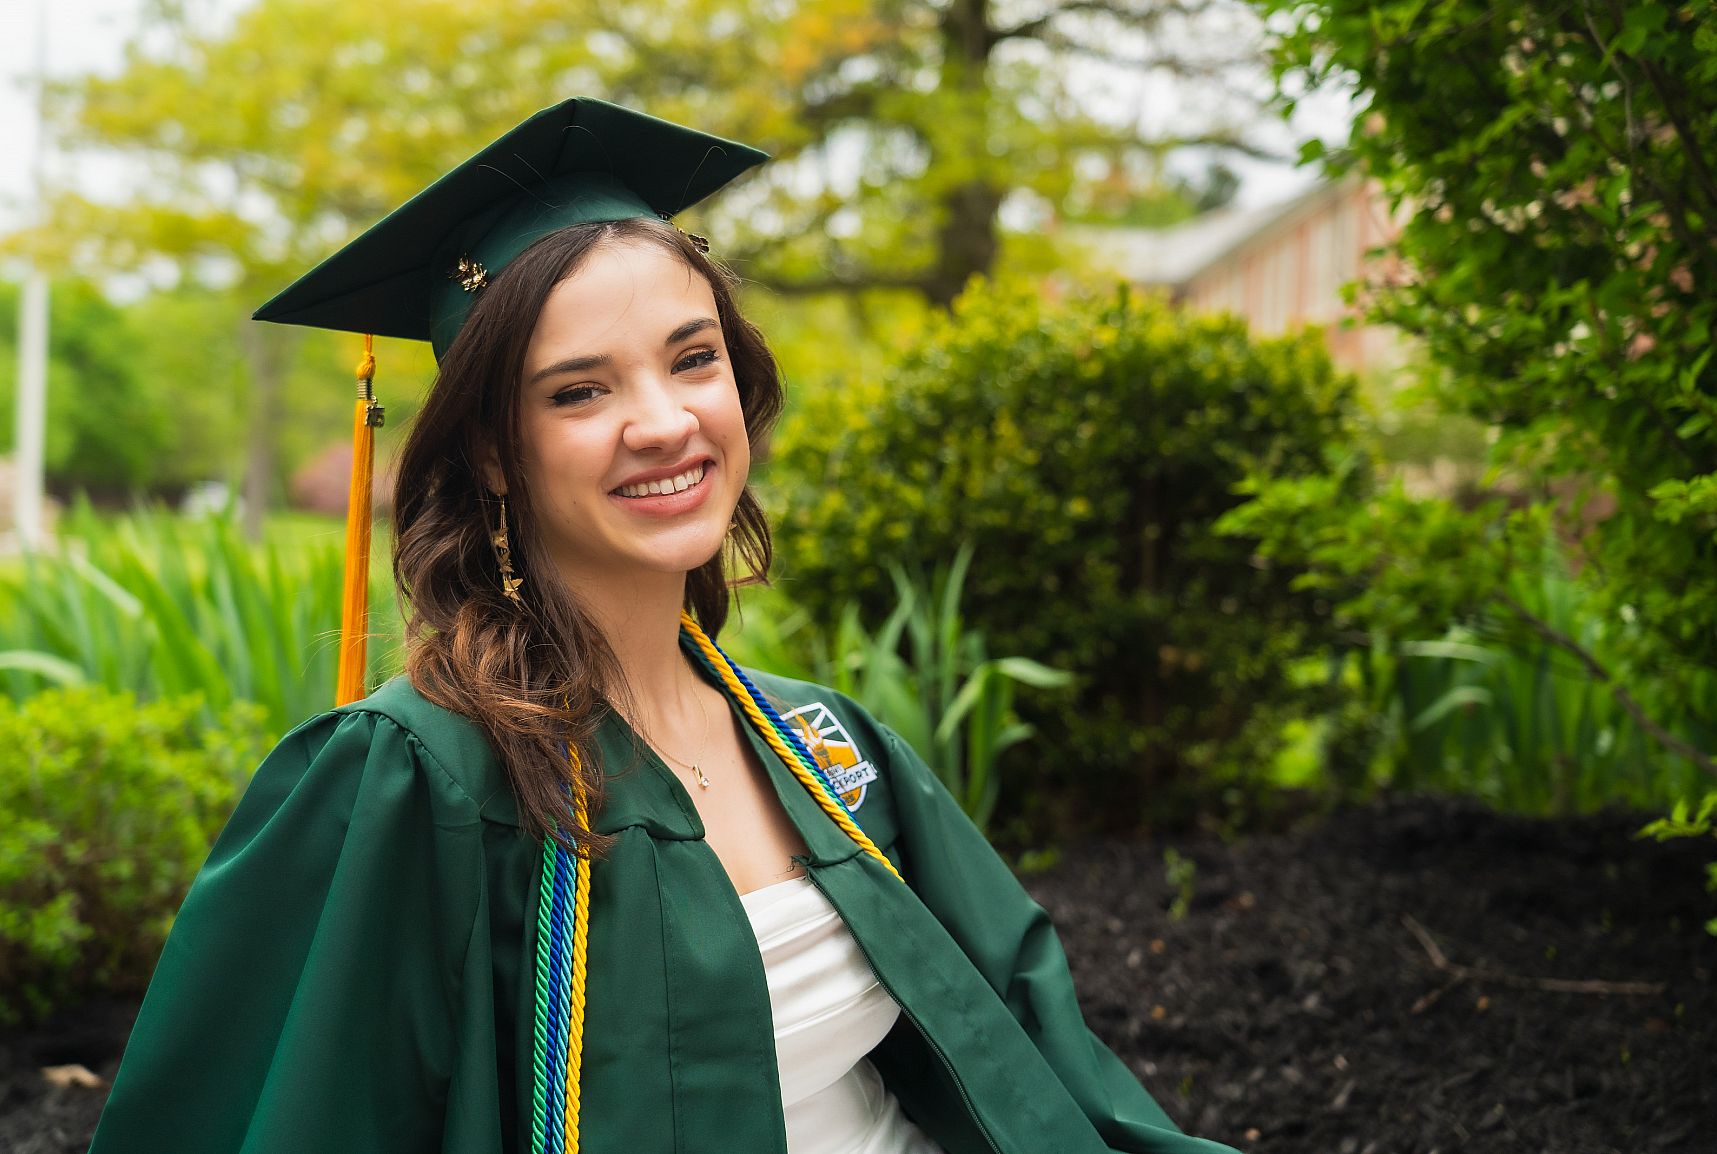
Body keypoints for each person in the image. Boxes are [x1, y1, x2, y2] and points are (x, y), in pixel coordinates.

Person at [86, 98, 1238, 1154]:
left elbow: (1045, 1063)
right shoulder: (419, 782)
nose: (664, 421)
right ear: (492, 448)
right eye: (580, 390)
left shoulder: (830, 745)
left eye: (695, 360)